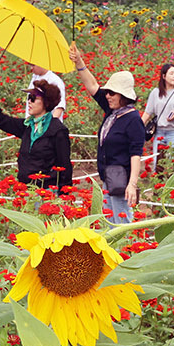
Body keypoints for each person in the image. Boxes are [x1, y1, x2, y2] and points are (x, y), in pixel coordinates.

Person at [68, 42, 144, 224]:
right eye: (107, 92)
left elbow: (136, 154)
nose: (107, 95)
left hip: (121, 181)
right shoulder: (113, 111)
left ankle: (124, 252)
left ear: (124, 96)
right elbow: (92, 85)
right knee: (109, 223)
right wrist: (79, 61)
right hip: (108, 178)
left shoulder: (133, 120)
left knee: (121, 223)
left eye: (112, 92)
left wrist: (132, 185)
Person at [0, 75, 71, 189]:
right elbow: (0, 120)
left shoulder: (58, 130)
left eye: (33, 98)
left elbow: (64, 165)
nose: (29, 102)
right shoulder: (27, 126)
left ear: (46, 102)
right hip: (25, 190)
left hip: (46, 192)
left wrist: (64, 195)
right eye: (28, 98)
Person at [142, 63, 174, 167]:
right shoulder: (155, 93)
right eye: (171, 74)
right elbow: (148, 112)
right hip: (159, 132)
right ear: (163, 76)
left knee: (173, 163)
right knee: (158, 164)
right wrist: (139, 126)